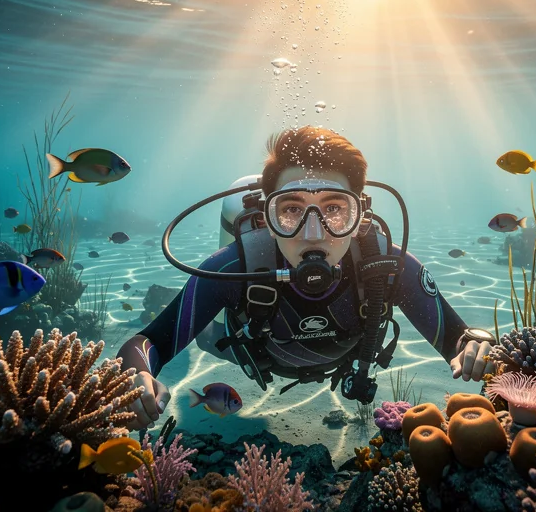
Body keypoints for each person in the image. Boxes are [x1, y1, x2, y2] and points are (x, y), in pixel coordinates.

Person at [117, 126, 497, 429]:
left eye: (334, 209)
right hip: (245, 350)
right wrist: (136, 373)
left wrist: (474, 343)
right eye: (291, 210)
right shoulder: (233, 268)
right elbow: (149, 341)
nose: (313, 233)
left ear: (360, 215)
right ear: (267, 217)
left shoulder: (385, 266)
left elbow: (458, 339)